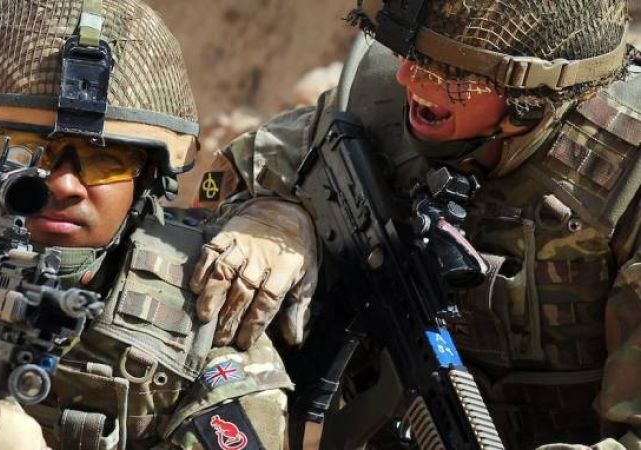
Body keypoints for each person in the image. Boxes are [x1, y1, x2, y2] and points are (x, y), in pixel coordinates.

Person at [0, 0, 315, 448]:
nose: (64, 184)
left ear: (144, 180)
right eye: (30, 150)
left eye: (104, 160)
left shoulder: (207, 319)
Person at [192, 0, 641, 448]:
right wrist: (277, 216)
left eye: (453, 74)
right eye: (411, 54)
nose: (408, 77)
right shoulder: (385, 99)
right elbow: (245, 169)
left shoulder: (628, 179)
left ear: (530, 99)